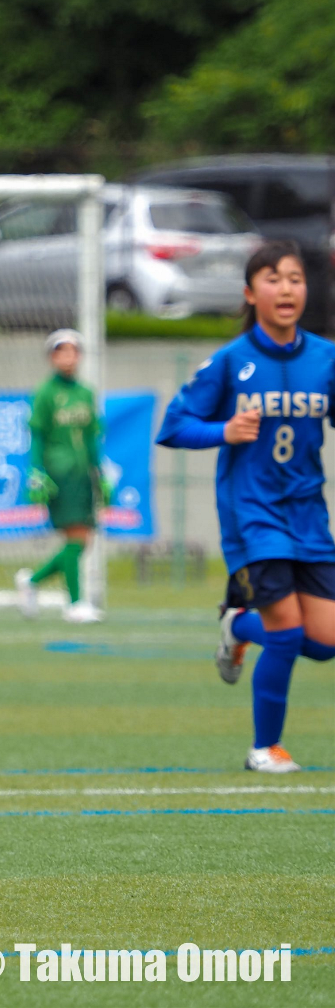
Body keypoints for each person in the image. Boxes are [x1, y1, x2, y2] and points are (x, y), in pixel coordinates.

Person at [157, 240, 335, 774]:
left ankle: (238, 625)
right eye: (273, 278)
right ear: (250, 293)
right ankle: (265, 749)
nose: (286, 288)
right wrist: (224, 430)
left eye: (295, 279)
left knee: (324, 642)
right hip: (253, 515)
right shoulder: (231, 361)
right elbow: (173, 427)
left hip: (308, 515)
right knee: (287, 632)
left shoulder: (325, 357)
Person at [15, 329, 110, 623]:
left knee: (82, 540)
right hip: (59, 472)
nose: (68, 357)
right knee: (75, 536)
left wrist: (100, 473)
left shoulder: (85, 393)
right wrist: (36, 471)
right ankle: (74, 603)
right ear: (51, 357)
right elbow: (38, 435)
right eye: (61, 351)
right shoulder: (46, 393)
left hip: (82, 473)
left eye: (72, 351)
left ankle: (32, 582)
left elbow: (91, 437)